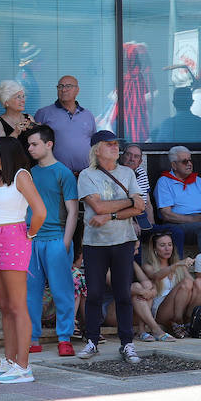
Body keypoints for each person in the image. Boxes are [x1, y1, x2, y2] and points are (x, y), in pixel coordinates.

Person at [0, 137, 46, 384]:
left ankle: (24, 366)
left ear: (5, 152)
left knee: (17, 306)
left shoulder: (21, 175)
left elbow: (40, 210)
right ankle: (10, 361)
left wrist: (30, 234)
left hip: (14, 237)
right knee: (4, 306)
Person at [78, 130, 146, 363]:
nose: (116, 148)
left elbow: (140, 208)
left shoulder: (127, 172)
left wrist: (113, 215)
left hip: (124, 240)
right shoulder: (87, 175)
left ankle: (127, 343)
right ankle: (92, 341)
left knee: (123, 294)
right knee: (95, 293)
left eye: (117, 144)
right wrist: (128, 202)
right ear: (97, 149)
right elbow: (98, 207)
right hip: (95, 242)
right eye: (109, 144)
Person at [23, 126, 78, 358]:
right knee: (30, 292)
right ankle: (32, 337)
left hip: (56, 238)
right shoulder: (27, 173)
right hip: (31, 240)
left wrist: (65, 242)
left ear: (49, 144)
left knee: (62, 291)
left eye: (34, 144)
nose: (30, 148)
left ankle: (64, 338)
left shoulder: (63, 172)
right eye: (29, 145)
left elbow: (73, 211)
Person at [140, 230, 201, 340]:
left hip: (181, 306)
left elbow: (193, 286)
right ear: (155, 249)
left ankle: (187, 320)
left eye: (170, 245)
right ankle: (179, 321)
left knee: (197, 283)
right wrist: (177, 264)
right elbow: (156, 276)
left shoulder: (179, 266)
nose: (167, 248)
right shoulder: (148, 266)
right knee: (186, 283)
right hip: (161, 310)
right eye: (162, 245)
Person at [154, 146, 201, 253]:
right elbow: (166, 214)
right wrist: (195, 219)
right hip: (178, 224)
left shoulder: (198, 180)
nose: (189, 164)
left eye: (190, 160)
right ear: (174, 165)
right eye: (184, 161)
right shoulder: (164, 182)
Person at [33, 75, 97, 173]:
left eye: (68, 86)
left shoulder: (88, 115)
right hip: (55, 174)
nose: (63, 90)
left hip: (85, 174)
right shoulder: (43, 113)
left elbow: (94, 144)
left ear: (77, 90)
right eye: (60, 86)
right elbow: (35, 144)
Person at [120, 142, 155, 232]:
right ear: (122, 157)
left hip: (142, 217)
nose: (132, 159)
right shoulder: (115, 173)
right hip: (124, 218)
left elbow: (147, 203)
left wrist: (152, 224)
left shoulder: (141, 173)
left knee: (174, 232)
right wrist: (131, 223)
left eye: (136, 156)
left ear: (140, 162)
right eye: (129, 155)